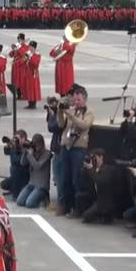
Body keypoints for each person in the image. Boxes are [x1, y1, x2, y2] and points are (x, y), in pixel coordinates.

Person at [57, 87, 94, 217]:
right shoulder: (71, 110)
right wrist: (59, 112)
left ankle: (77, 208)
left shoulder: (89, 112)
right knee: (64, 179)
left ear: (85, 99)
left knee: (76, 179)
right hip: (66, 147)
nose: (76, 102)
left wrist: (71, 116)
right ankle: (65, 206)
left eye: (79, 100)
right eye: (75, 99)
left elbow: (84, 125)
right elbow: (61, 124)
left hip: (78, 148)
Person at [80, 149, 118, 223]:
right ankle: (98, 214)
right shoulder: (93, 168)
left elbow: (99, 180)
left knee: (87, 216)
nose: (93, 159)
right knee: (79, 196)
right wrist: (85, 168)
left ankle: (104, 215)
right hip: (95, 196)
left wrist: (91, 169)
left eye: (95, 157)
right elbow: (83, 179)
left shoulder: (108, 169)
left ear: (101, 157)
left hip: (105, 200)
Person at [17, 134, 51, 208]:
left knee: (29, 204)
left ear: (41, 144)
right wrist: (25, 153)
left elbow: (37, 166)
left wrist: (30, 155)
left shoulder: (47, 154)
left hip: (41, 186)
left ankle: (44, 197)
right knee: (20, 201)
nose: (35, 147)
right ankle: (36, 196)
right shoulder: (33, 153)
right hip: (31, 184)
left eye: (37, 145)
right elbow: (23, 163)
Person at [0, 130, 30, 198]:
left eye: (17, 139)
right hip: (14, 175)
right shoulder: (15, 146)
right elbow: (6, 152)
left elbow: (18, 161)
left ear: (23, 138)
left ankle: (18, 190)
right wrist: (8, 145)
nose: (16, 140)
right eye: (15, 138)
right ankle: (14, 189)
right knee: (3, 184)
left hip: (23, 177)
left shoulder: (27, 146)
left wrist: (14, 150)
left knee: (16, 196)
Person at [22, 41, 42, 109]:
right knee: (28, 87)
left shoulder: (37, 54)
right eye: (29, 47)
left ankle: (33, 103)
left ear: (34, 48)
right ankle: (30, 102)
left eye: (31, 47)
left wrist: (30, 58)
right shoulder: (28, 53)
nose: (30, 48)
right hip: (28, 71)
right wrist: (25, 58)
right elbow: (23, 61)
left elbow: (35, 64)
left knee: (34, 87)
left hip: (34, 72)